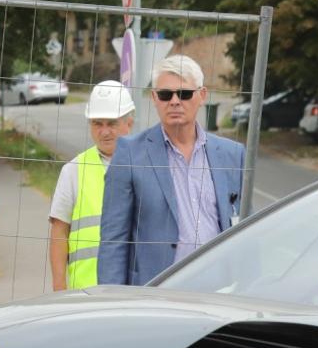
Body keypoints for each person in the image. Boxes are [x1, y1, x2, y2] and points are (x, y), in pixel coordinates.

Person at [97, 55, 244, 285]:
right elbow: (113, 240)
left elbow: (248, 232)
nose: (175, 101)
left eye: (184, 94)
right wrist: (112, 301)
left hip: (219, 290)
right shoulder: (130, 153)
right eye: (166, 94)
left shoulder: (233, 155)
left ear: (202, 95)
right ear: (155, 98)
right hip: (157, 291)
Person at [48, 81, 136, 290]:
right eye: (97, 123)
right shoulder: (74, 170)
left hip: (135, 292)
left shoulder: (145, 166)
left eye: (112, 123)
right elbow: (59, 233)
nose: (104, 132)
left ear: (129, 123)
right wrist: (59, 289)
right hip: (86, 294)